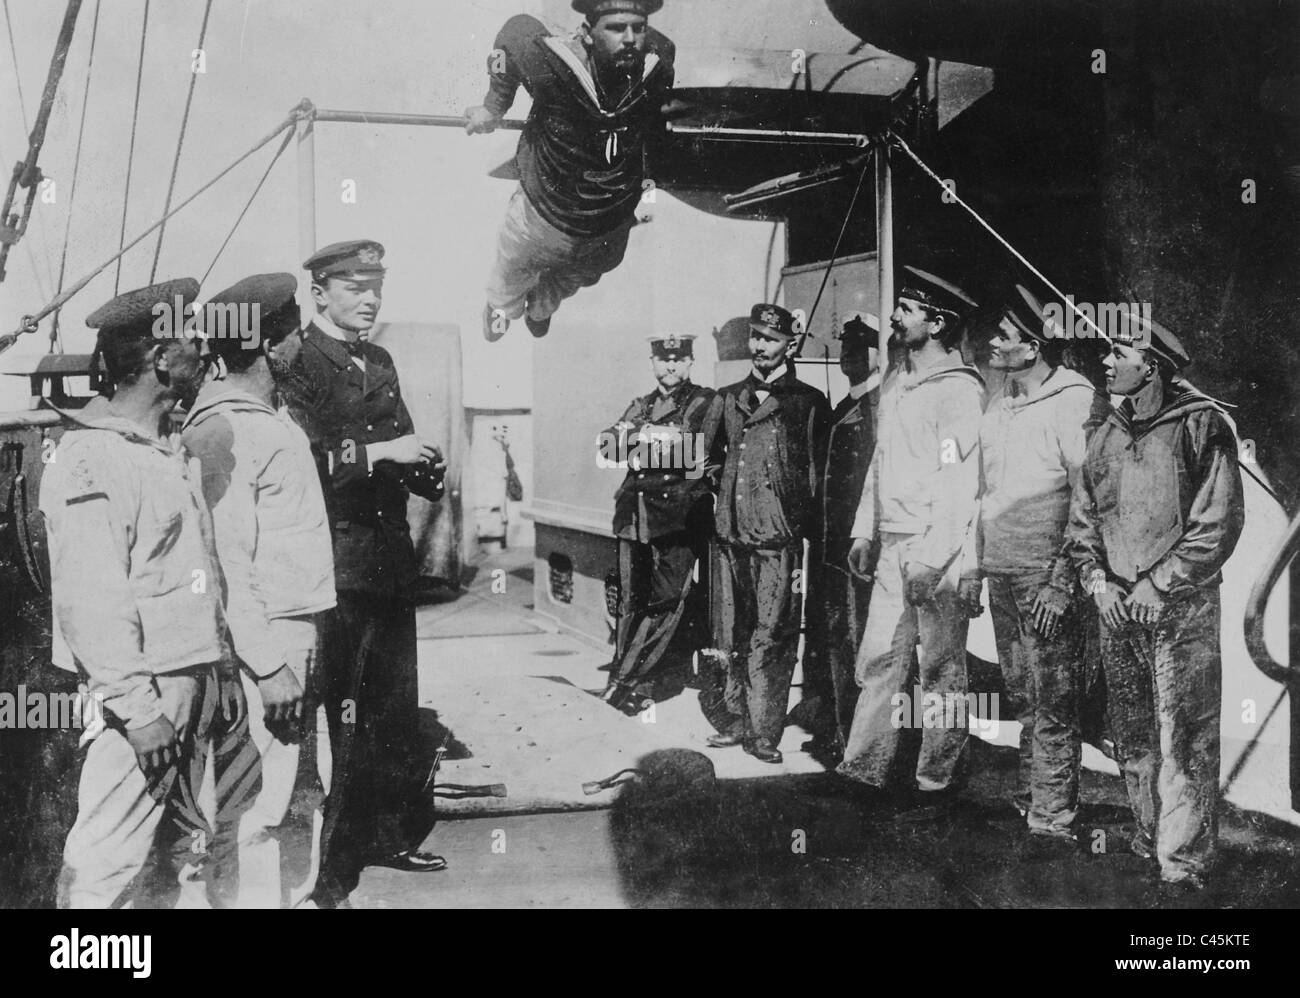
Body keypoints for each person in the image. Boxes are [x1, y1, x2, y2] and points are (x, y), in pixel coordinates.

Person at [40, 278, 236, 908]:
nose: (206, 353)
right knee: (110, 860)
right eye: (194, 342)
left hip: (188, 681)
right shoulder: (94, 457)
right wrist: (139, 708)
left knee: (187, 851)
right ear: (160, 360)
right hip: (141, 696)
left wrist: (219, 668)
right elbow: (91, 602)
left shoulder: (162, 451)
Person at [285, 239, 448, 907]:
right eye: (354, 287)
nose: (370, 298)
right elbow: (310, 457)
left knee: (392, 709)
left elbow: (399, 443)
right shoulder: (301, 362)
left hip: (386, 561)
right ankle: (325, 869)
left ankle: (386, 835)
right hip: (337, 565)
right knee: (338, 716)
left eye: (376, 285)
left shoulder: (376, 359)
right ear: (320, 293)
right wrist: (387, 453)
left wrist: (422, 469)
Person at [1066, 310, 1244, 889]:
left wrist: (1156, 583)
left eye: (1120, 354)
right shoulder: (1107, 430)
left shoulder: (1202, 424)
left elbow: (1216, 524)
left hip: (1179, 610)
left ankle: (1185, 863)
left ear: (1152, 368)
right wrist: (1098, 582)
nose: (1107, 361)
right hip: (1117, 608)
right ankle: (1150, 836)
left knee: (1186, 737)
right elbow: (1083, 519)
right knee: (1133, 731)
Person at [181, 273, 337, 907]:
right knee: (259, 801)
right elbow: (225, 563)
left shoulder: (263, 420)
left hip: (293, 630)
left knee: (298, 789)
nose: (303, 343)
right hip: (266, 641)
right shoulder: (231, 430)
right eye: (296, 331)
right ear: (273, 345)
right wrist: (269, 667)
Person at [964, 285, 1107, 843]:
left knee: (1054, 700)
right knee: (1025, 695)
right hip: (1003, 572)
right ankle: (1034, 800)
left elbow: (1086, 498)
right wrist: (978, 567)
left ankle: (1053, 817)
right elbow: (988, 493)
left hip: (1047, 580)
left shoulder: (1074, 400)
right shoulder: (1002, 402)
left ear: (1035, 345)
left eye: (1004, 336)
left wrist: (1061, 582)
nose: (993, 344)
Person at [838, 267, 984, 805]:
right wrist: (863, 530)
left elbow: (959, 484)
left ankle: (936, 782)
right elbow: (880, 463)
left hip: (933, 549)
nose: (895, 317)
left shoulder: (958, 390)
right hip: (892, 543)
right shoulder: (899, 380)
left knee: (941, 669)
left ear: (938, 322)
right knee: (879, 658)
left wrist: (934, 559)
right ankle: (864, 770)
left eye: (907, 309)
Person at [465, 0, 675, 340]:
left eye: (639, 28)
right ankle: (504, 308)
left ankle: (541, 307)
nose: (629, 39)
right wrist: (494, 106)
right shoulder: (549, 62)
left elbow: (654, 127)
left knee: (577, 274)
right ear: (587, 33)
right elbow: (511, 33)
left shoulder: (658, 61)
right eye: (616, 28)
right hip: (544, 217)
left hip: (608, 223)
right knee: (512, 272)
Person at [700, 304, 830, 764]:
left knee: (771, 634)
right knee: (731, 631)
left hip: (777, 541)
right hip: (730, 538)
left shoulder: (808, 401)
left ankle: (764, 730)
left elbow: (817, 474)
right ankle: (735, 719)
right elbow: (708, 458)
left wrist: (794, 518)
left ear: (790, 345)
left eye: (770, 339)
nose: (759, 347)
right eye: (755, 337)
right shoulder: (726, 397)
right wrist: (726, 481)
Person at [600, 335, 715, 713]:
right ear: (652, 362)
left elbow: (697, 454)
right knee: (631, 603)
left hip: (676, 522)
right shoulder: (641, 403)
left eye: (678, 360)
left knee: (666, 602)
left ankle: (629, 681)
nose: (670, 367)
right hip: (634, 519)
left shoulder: (703, 402)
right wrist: (661, 440)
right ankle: (629, 678)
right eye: (663, 360)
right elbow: (607, 449)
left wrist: (642, 440)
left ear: (690, 363)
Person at [798, 314, 881, 761]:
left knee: (858, 643)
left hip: (857, 551)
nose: (852, 356)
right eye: (847, 347)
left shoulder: (879, 407)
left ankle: (857, 738)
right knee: (831, 641)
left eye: (862, 347)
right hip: (828, 550)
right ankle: (836, 727)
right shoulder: (839, 409)